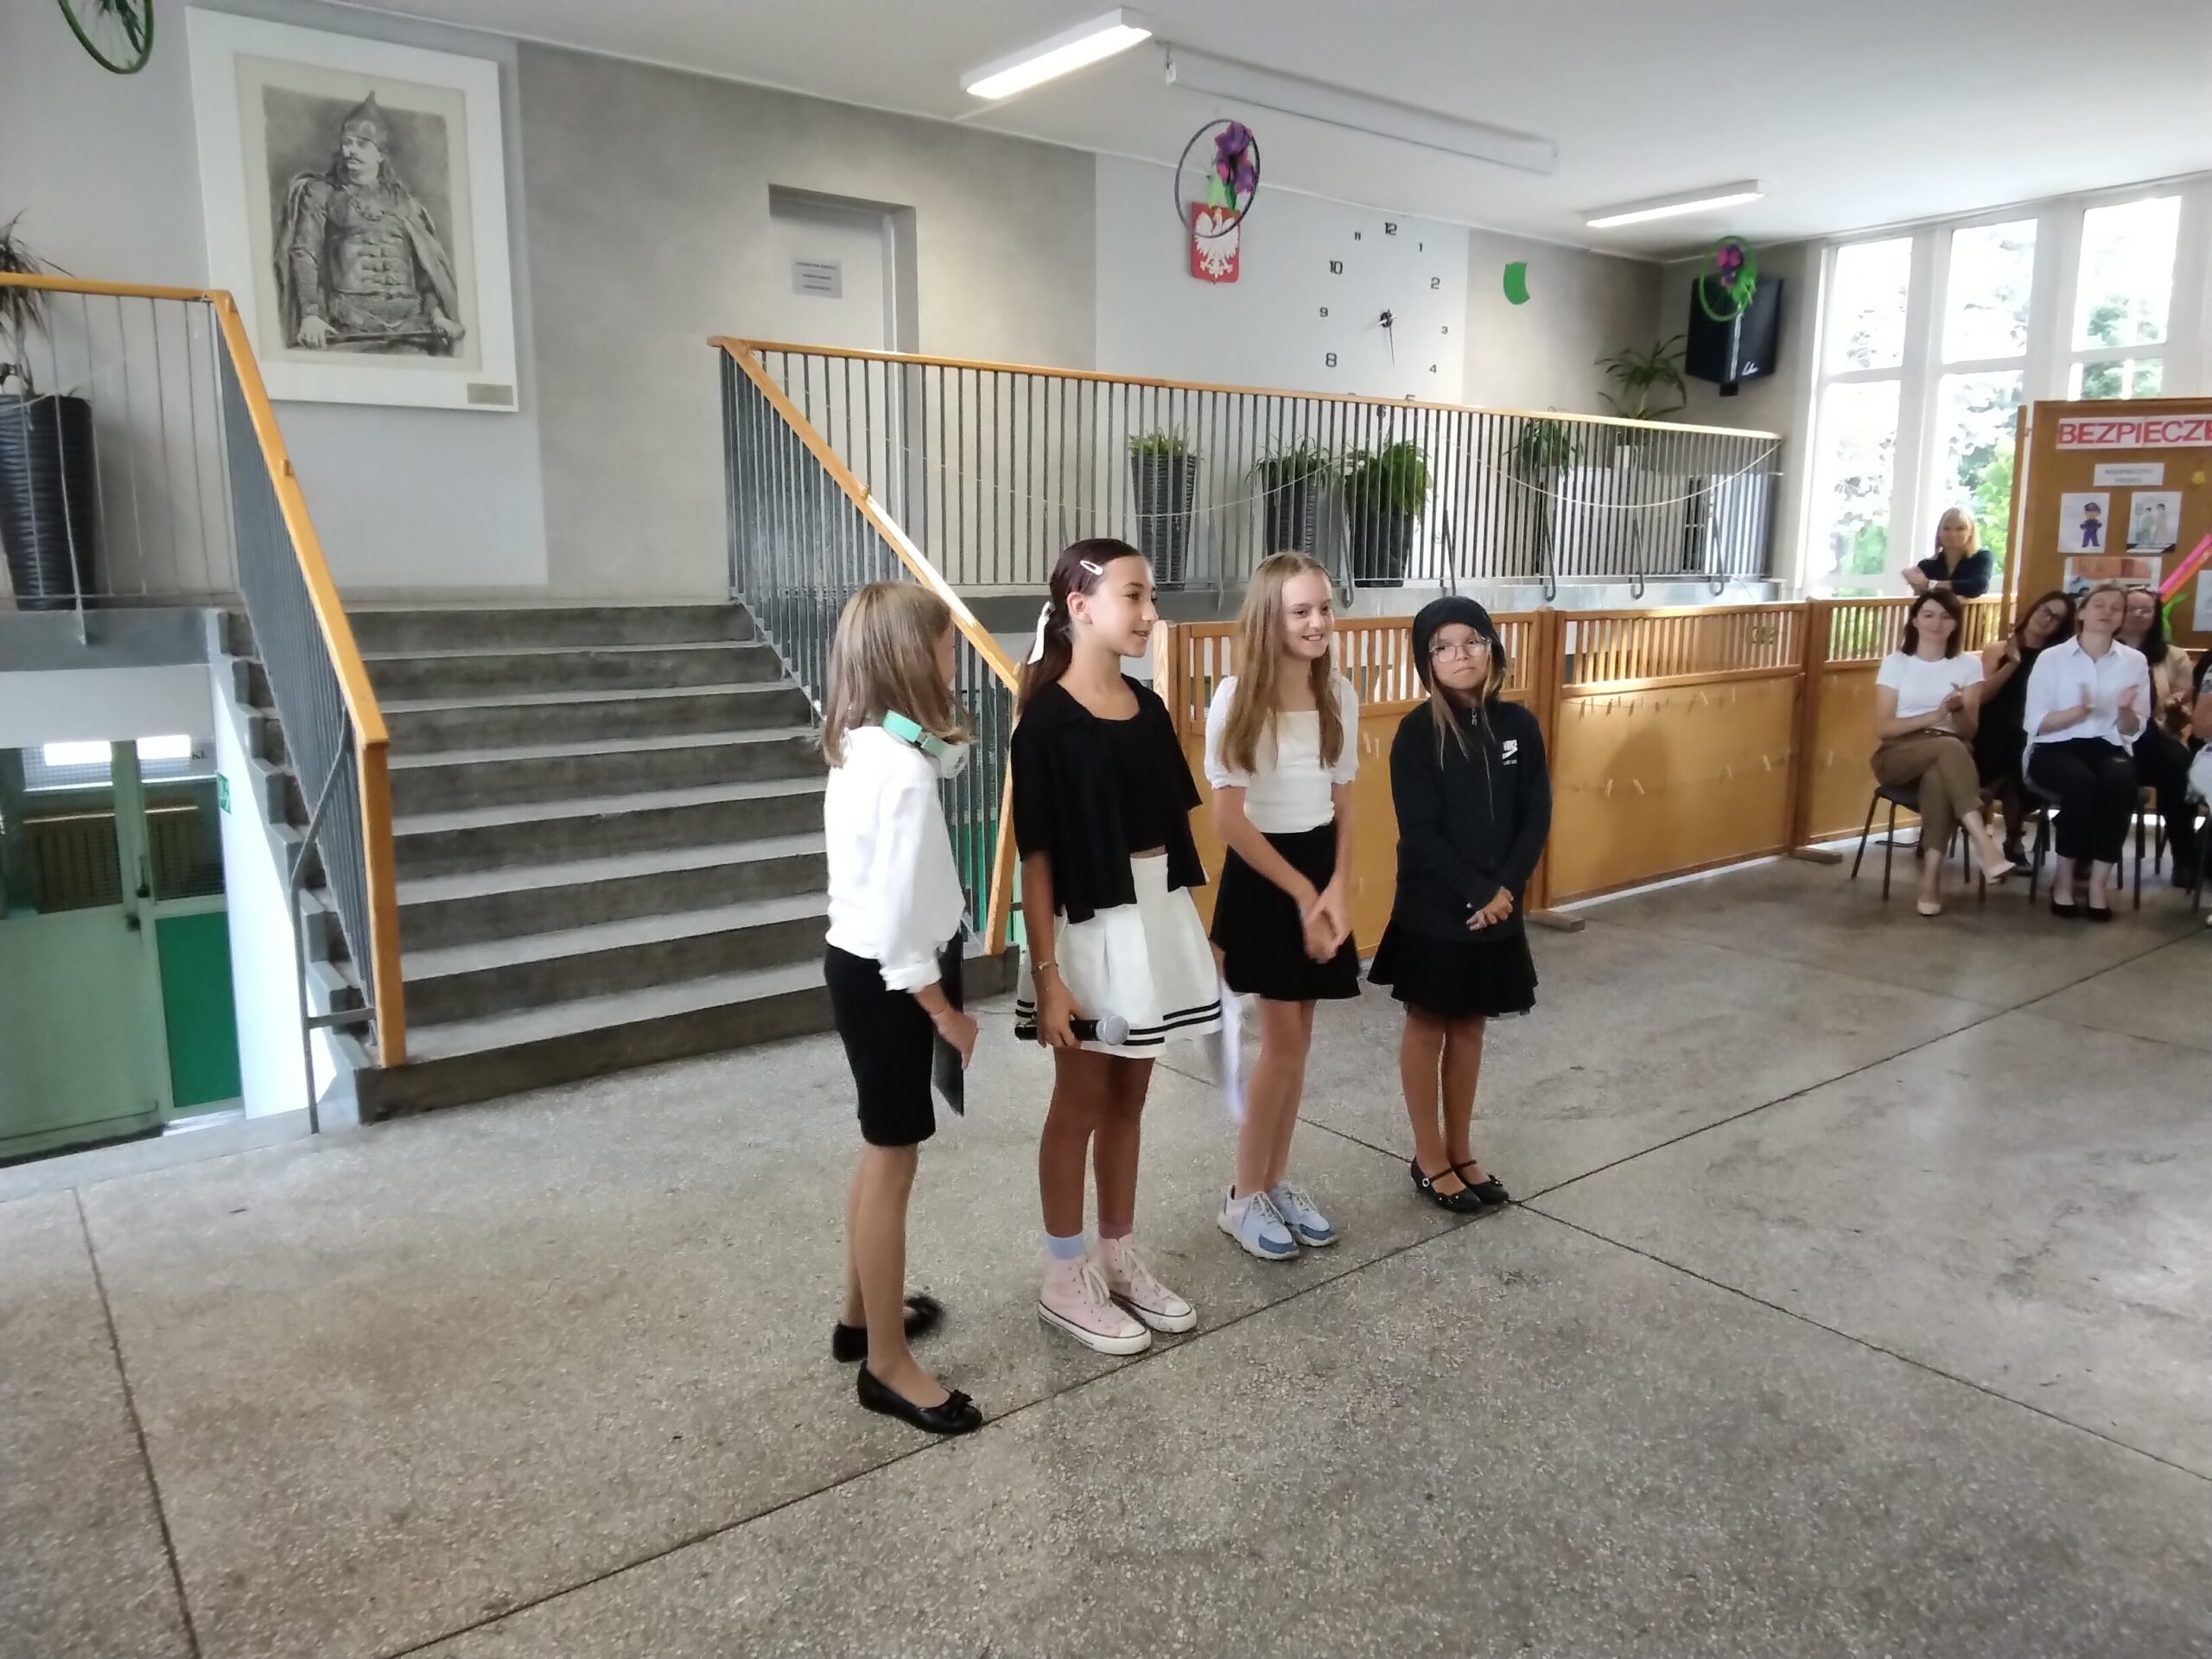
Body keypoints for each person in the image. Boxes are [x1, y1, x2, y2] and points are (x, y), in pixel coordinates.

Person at [1013, 539, 1221, 1354]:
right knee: (1081, 1100)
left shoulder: (1150, 707)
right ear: (1080, 606)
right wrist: (1047, 973)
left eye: (1151, 597)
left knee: (1132, 1097)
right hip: (1092, 926)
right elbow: (1037, 860)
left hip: (1155, 918)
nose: (1149, 613)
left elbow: (1171, 831)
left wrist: (1192, 941)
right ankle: (1064, 1275)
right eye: (1134, 596)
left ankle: (1117, 1256)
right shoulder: (1046, 723)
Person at [819, 583, 983, 1437]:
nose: (954, 658)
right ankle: (886, 1366)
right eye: (947, 644)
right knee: (893, 1163)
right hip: (891, 982)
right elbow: (897, 924)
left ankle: (860, 1319)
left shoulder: (863, 741)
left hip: (855, 968)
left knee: (880, 1148)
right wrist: (944, 1012)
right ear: (913, 656)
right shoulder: (904, 772)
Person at [1203, 553, 1363, 1260]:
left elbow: (1346, 803)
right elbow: (1228, 819)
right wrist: (1301, 893)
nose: (1317, 622)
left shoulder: (1339, 695)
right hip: (1266, 880)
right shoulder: (1237, 697)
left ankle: (1274, 1180)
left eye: (1324, 608)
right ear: (1270, 619)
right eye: (1301, 611)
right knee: (1285, 1043)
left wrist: (1338, 887)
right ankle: (1241, 1198)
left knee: (1301, 1040)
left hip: (1318, 870)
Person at [1369, 598, 1549, 1214]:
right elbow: (1419, 830)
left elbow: (1536, 814)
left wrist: (1507, 889)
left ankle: (1461, 1149)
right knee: (1429, 1024)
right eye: (1442, 647)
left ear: (1492, 647)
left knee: (1471, 1024)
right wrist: (1478, 891)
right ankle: (1428, 1156)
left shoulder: (1519, 725)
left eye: (1472, 641)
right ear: (1427, 663)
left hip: (1499, 905)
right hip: (1437, 906)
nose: (1460, 655)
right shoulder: (1417, 732)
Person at [278, 93, 465, 355]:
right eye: (347, 143)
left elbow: (425, 272)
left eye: (362, 144)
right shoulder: (322, 194)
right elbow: (305, 253)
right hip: (348, 331)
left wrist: (437, 315)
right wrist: (310, 314)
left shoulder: (406, 204)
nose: (351, 151)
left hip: (411, 331)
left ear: (380, 155)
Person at [1870, 591, 2015, 915]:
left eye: (1946, 616)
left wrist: (1958, 710)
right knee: (1948, 747)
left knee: (1939, 777)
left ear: (1955, 624)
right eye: (1929, 615)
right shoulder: (1896, 663)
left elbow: (1968, 731)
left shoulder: (1969, 665)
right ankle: (1983, 841)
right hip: (1899, 753)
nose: (1937, 623)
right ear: (1915, 620)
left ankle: (1931, 879)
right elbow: (1883, 728)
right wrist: (1935, 716)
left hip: (1950, 755)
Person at [2024, 583, 2153, 920]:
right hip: (2054, 745)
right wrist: (2078, 712)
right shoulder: (2051, 658)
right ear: (2082, 612)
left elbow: (2133, 729)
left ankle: (2098, 884)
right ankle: (2064, 880)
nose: (2107, 612)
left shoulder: (2135, 661)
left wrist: (2124, 711)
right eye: (2099, 605)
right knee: (2081, 784)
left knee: (2121, 782)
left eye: (2115, 608)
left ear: (2121, 619)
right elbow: (2035, 724)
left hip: (2108, 744)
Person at [1975, 590, 2075, 864]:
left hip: (2033, 730)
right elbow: (1982, 697)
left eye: (2056, 618)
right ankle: (2014, 839)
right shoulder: (1997, 650)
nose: (2046, 619)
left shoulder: (2056, 659)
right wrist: (2012, 664)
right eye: (2045, 610)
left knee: (2022, 739)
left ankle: (1987, 794)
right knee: (2016, 740)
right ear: (2034, 609)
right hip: (1990, 729)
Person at [2117, 587, 2200, 883]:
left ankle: (2184, 857)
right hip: (2110, 737)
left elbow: (2182, 712)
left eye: (2147, 610)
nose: (2139, 615)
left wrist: (2177, 709)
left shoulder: (2174, 656)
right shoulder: (2104, 650)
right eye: (2132, 609)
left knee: (2179, 766)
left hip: (2156, 737)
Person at [1902, 506, 1994, 600]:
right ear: (1939, 532)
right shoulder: (1926, 566)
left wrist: (1930, 584)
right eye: (1946, 528)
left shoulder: (1982, 557)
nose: (1952, 534)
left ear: (1971, 532)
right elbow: (1921, 602)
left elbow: (1977, 587)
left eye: (1960, 529)